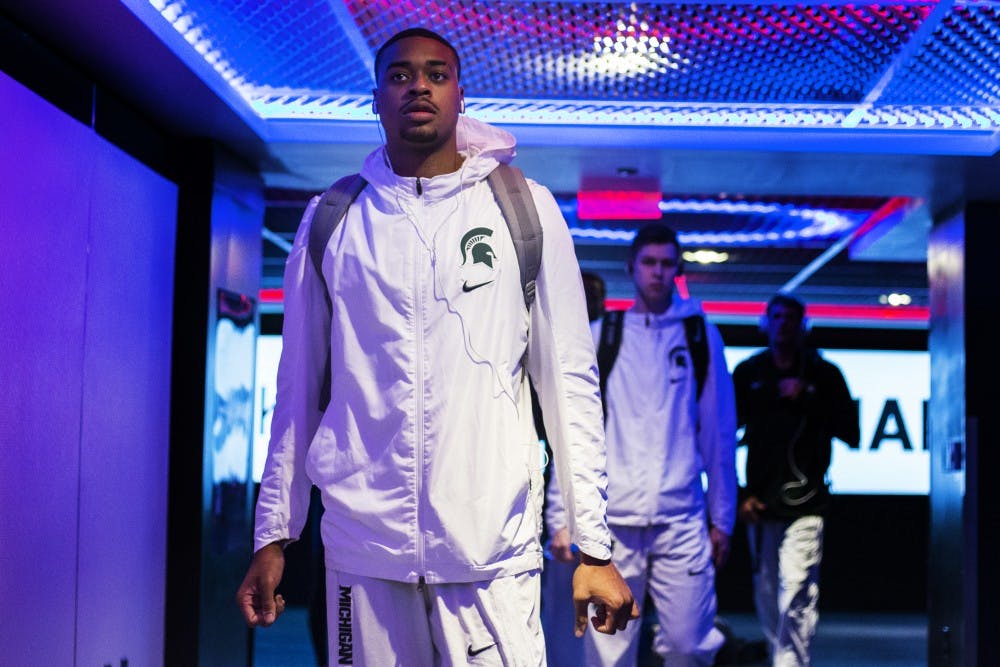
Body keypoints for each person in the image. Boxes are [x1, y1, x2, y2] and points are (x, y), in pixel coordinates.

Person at [236, 27, 638, 665]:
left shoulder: (523, 210)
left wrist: (595, 546)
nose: (417, 86)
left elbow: (569, 386)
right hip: (362, 555)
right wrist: (273, 536)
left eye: (435, 74)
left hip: (491, 556)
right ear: (375, 98)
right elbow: (297, 391)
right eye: (399, 75)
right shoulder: (333, 220)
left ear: (459, 95)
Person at [546, 223, 738, 666]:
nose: (657, 272)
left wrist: (722, 518)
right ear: (631, 267)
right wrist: (560, 515)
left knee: (691, 646)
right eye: (649, 263)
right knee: (608, 652)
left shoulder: (699, 336)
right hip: (612, 521)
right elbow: (574, 430)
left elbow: (718, 433)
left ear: (678, 269)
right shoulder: (604, 335)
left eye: (667, 263)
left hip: (682, 516)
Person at [732, 293, 860, 667]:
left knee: (797, 587)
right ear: (765, 323)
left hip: (808, 504)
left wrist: (809, 398)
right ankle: (782, 658)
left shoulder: (825, 374)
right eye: (777, 317)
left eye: (791, 318)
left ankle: (791, 663)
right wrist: (740, 497)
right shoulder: (749, 373)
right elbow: (722, 437)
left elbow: (852, 432)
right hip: (760, 504)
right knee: (768, 593)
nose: (784, 324)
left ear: (803, 325)